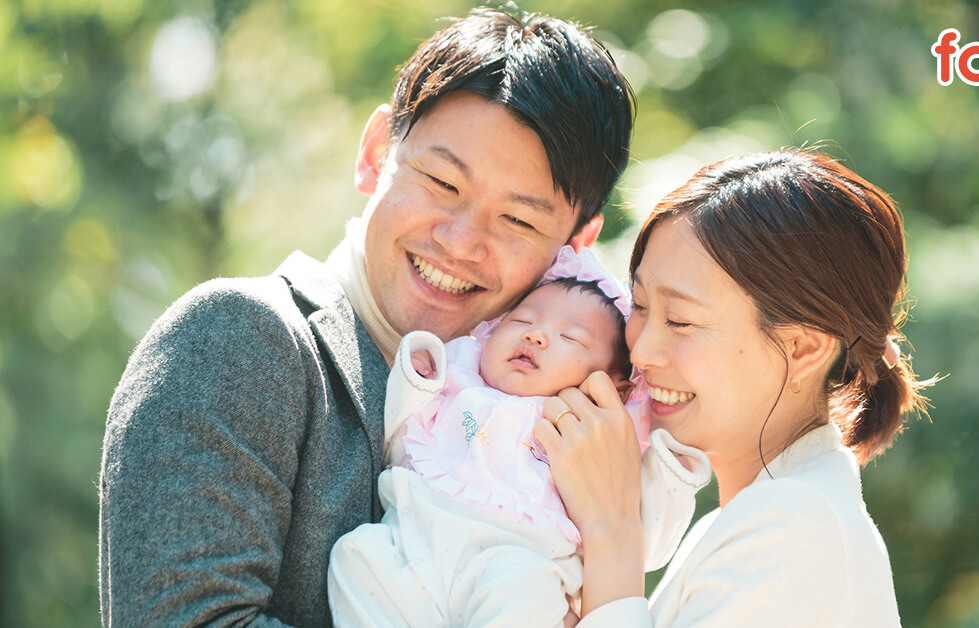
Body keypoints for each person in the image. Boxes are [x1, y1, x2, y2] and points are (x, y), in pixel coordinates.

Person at [99, 7, 635, 626]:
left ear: (574, 247)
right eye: (440, 181)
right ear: (378, 151)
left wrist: (613, 532)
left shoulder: (567, 436)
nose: (460, 242)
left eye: (517, 220)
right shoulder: (242, 339)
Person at [535, 148, 936, 626]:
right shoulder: (749, 519)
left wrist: (611, 529)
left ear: (804, 348)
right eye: (639, 305)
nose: (641, 352)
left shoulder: (794, 527)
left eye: (680, 321)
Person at [327, 246, 709, 627]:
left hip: (514, 562)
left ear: (613, 387)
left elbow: (644, 542)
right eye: (522, 321)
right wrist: (416, 377)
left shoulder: (593, 438)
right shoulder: (459, 375)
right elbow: (396, 438)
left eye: (571, 338)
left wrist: (669, 474)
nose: (537, 336)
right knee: (355, 555)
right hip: (413, 544)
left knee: (524, 595)